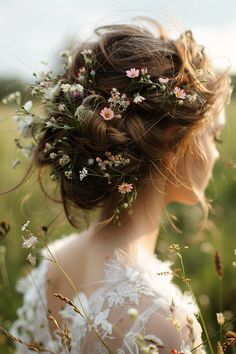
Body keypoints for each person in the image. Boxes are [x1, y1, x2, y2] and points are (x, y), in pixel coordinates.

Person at [8, 16, 231, 354]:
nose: (216, 154)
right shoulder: (165, 323)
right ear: (173, 144)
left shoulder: (54, 265)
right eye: (213, 135)